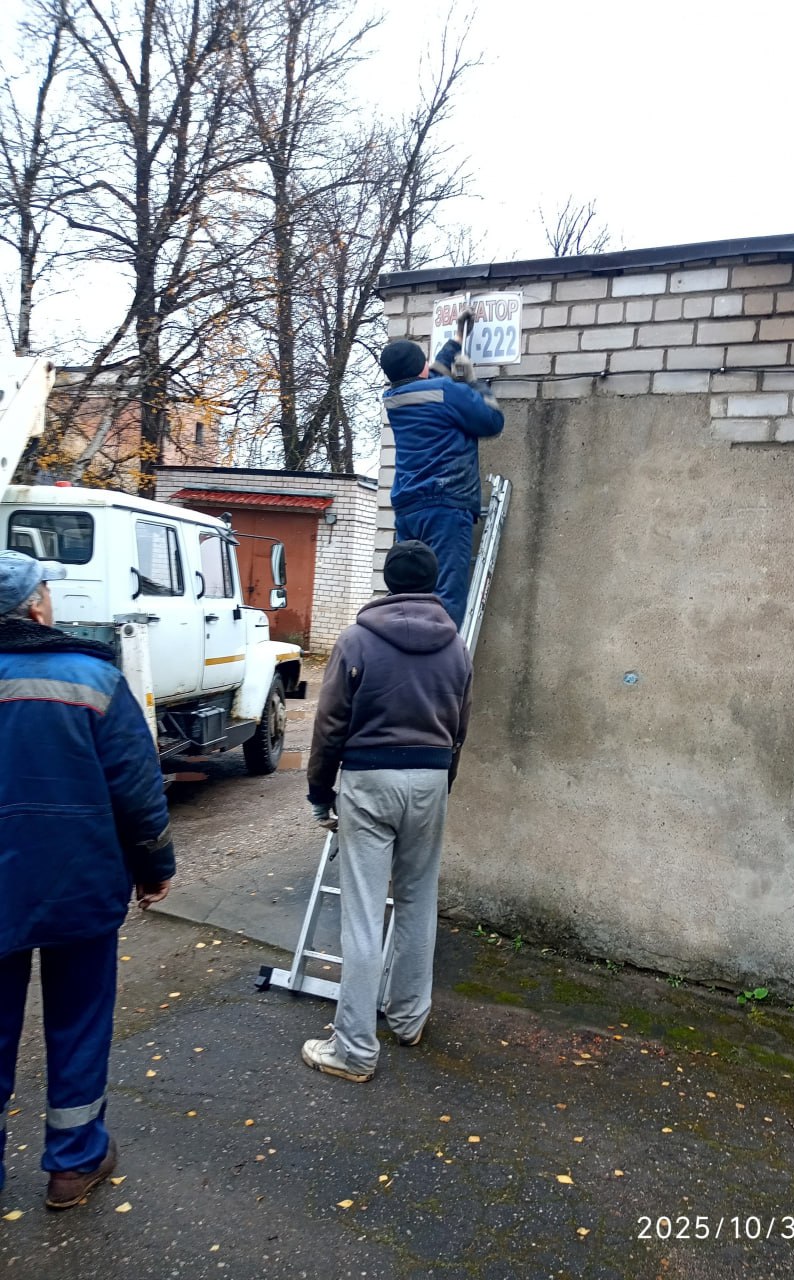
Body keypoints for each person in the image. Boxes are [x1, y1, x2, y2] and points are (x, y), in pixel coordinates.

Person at [0, 550, 174, 1210]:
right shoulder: (92, 680)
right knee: (78, 1021)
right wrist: (155, 868)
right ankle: (72, 1165)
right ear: (36, 607)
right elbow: (136, 789)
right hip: (80, 886)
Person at [302, 540, 472, 1082]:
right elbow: (460, 728)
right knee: (420, 904)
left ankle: (353, 1050)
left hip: (370, 779)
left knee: (362, 914)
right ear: (432, 582)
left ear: (389, 580)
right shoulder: (456, 647)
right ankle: (408, 1018)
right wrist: (441, 780)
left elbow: (329, 724)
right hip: (429, 777)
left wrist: (319, 791)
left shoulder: (356, 639)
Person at [380, 308, 505, 630]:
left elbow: (433, 375)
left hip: (409, 507)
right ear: (420, 367)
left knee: (409, 593)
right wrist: (476, 383)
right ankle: (439, 666)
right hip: (445, 505)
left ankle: (404, 655)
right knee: (446, 597)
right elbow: (492, 422)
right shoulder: (449, 393)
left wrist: (458, 340)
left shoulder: (395, 398)